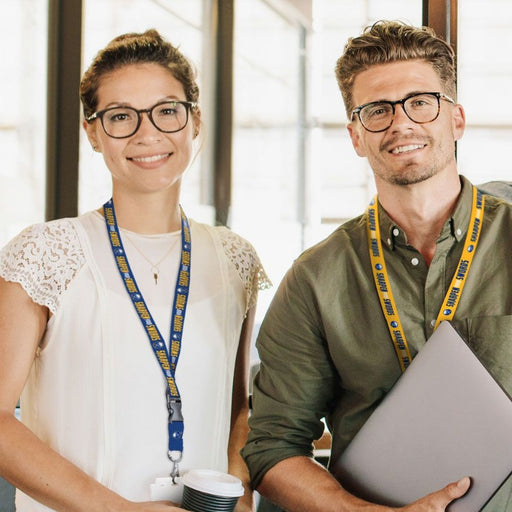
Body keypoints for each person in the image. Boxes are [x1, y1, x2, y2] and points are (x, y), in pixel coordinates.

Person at [242, 20, 512, 512]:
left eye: (420, 102)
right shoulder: (313, 280)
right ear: (354, 135)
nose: (400, 123)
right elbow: (272, 447)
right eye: (377, 111)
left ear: (456, 119)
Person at [0, 29, 269, 512]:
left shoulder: (235, 257)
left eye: (167, 111)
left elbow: (236, 410)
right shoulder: (46, 251)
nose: (148, 134)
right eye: (121, 117)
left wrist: (238, 492)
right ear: (93, 132)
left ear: (194, 121)